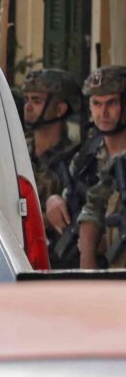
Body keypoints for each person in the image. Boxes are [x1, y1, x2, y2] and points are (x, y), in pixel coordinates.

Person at [23, 67, 86, 266]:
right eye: (27, 100)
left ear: (60, 109)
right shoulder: (15, 149)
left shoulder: (79, 161)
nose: (28, 107)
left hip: (56, 263)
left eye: (37, 101)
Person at [76, 65, 126, 270]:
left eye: (111, 103)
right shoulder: (86, 156)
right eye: (97, 103)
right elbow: (92, 206)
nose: (103, 112)